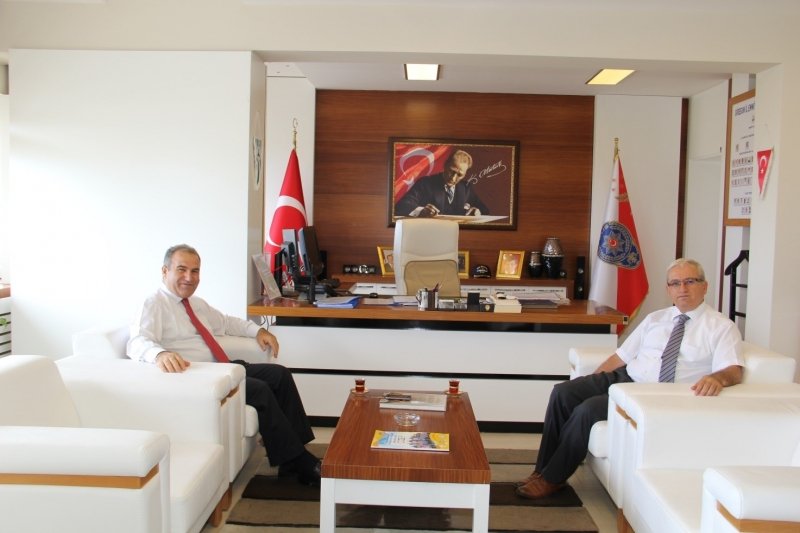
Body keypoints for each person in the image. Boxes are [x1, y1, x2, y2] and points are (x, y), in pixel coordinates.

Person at [516, 258, 744, 500]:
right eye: (675, 283)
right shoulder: (655, 319)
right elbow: (621, 356)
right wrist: (590, 382)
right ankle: (541, 471)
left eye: (690, 281)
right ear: (668, 289)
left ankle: (553, 479)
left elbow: (734, 369)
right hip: (627, 376)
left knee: (587, 410)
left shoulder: (721, 327)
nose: (683, 289)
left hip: (658, 393)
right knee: (564, 392)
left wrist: (717, 378)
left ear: (705, 286)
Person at [127, 244, 320, 486]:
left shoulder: (195, 303)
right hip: (196, 375)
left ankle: (294, 454)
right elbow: (137, 341)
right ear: (165, 271)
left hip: (220, 367)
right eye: (182, 269)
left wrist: (258, 331)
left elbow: (226, 323)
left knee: (279, 375)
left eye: (195, 271)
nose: (189, 278)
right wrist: (160, 354)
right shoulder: (153, 303)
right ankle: (299, 462)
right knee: (259, 389)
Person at [394, 149, 489, 217]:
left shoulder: (466, 188)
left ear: (465, 174)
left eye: (459, 175)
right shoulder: (425, 183)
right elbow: (401, 206)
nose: (453, 178)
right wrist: (421, 211)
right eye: (451, 171)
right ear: (445, 165)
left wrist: (477, 211)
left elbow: (485, 211)